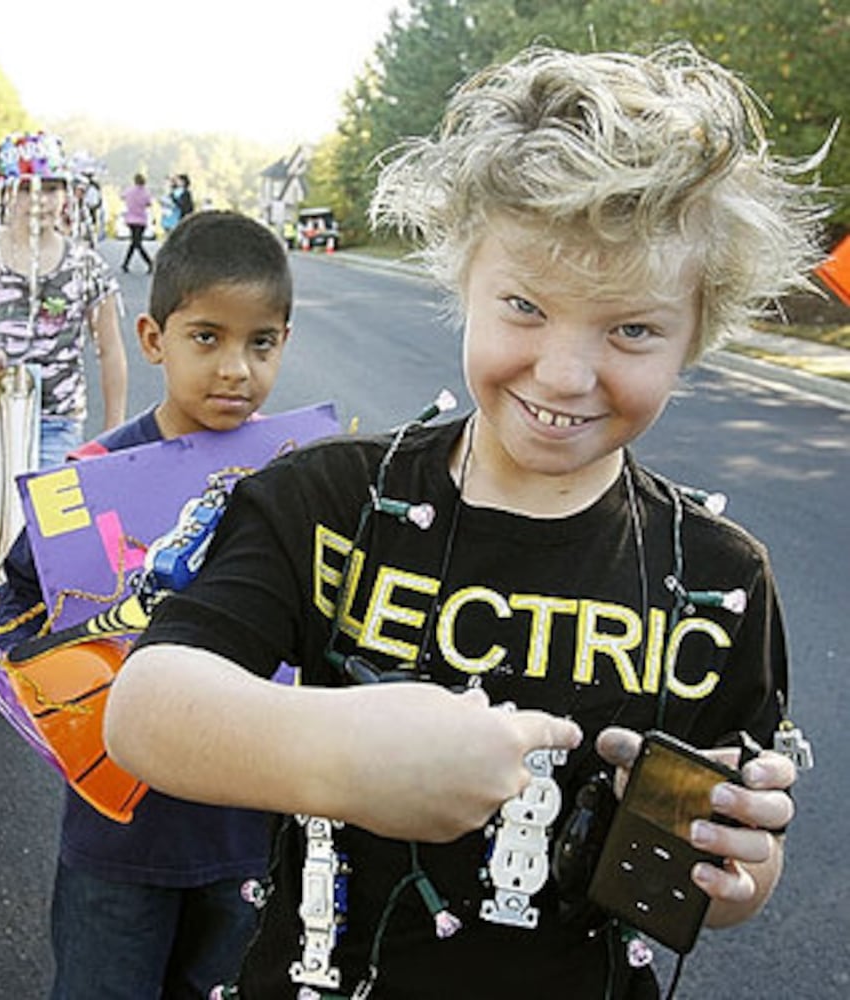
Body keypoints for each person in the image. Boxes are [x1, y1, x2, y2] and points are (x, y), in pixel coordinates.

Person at [106, 43, 822, 1000]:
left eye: (632, 329)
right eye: (524, 306)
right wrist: (341, 754)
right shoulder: (331, 504)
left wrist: (738, 871)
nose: (565, 374)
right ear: (464, 279)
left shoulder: (720, 577)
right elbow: (145, 713)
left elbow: (731, 876)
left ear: (700, 330)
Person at [0, 210, 292, 998]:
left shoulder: (294, 482)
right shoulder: (91, 482)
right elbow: (20, 606)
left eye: (261, 342)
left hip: (247, 823)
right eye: (207, 338)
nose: (236, 368)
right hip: (119, 829)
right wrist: (54, 693)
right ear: (154, 338)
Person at [0, 129, 128, 673]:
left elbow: (110, 352)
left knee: (48, 538)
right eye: (26, 188)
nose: (39, 199)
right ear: (5, 192)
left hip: (56, 422)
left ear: (67, 193)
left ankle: (44, 649)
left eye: (50, 187)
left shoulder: (85, 266)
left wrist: (111, 437)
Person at [120, 173, 153, 274]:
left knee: (135, 242)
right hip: (141, 220)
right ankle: (150, 263)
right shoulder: (146, 193)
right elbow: (149, 204)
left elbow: (122, 197)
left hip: (130, 219)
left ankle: (125, 264)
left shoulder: (129, 191)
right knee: (137, 243)